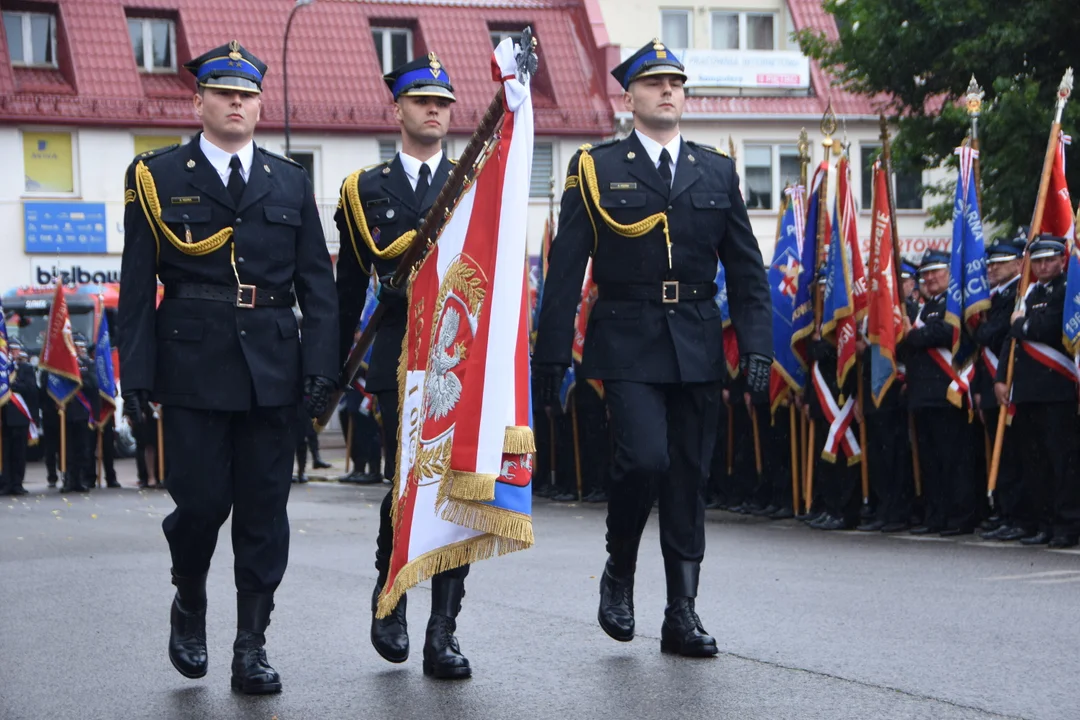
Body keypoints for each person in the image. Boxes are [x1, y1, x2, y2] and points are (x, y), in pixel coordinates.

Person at [533, 39, 772, 657]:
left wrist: (756, 346)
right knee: (644, 460)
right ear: (630, 96)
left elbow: (747, 271)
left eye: (676, 82)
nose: (668, 91)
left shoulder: (715, 170)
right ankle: (619, 568)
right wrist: (551, 357)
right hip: (628, 333)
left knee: (689, 478)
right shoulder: (597, 167)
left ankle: (681, 611)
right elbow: (566, 270)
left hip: (695, 338)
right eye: (654, 83)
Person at [117, 41, 338, 695]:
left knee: (265, 511)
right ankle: (189, 598)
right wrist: (135, 375)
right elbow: (135, 289)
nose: (236, 102)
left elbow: (316, 287)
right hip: (192, 364)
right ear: (200, 100)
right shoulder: (158, 177)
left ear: (259, 104)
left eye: (246, 94)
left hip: (273, 366)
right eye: (223, 92)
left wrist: (320, 368)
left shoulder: (289, 180)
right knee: (203, 504)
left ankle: (251, 644)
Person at [334, 53, 471, 679]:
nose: (434, 110)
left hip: (459, 355)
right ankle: (391, 591)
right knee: (409, 481)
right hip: (396, 359)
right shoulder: (365, 190)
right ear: (399, 108)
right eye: (423, 101)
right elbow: (341, 293)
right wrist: (327, 368)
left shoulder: (475, 181)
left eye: (443, 102)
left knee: (455, 486)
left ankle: (443, 629)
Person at [993, 236, 1080, 547]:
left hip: (1056, 389)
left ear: (1062, 259)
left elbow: (1047, 328)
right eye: (1038, 260)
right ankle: (1043, 523)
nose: (1043, 266)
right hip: (1027, 390)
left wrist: (1022, 323)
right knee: (1035, 462)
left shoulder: (1068, 291)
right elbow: (1010, 340)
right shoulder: (1029, 292)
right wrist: (1001, 378)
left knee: (1061, 462)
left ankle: (1067, 525)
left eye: (1049, 260)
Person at [901, 250, 976, 536]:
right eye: (925, 274)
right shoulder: (923, 308)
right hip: (922, 395)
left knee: (954, 460)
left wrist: (912, 334)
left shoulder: (954, 304)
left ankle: (960, 517)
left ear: (949, 274)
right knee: (931, 462)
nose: (930, 278)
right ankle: (936, 516)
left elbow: (945, 332)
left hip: (947, 393)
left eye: (936, 272)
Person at [974, 235, 1024, 540]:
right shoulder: (990, 299)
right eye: (990, 264)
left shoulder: (1018, 295)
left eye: (1000, 263)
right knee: (1000, 453)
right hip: (992, 385)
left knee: (1014, 454)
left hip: (1012, 385)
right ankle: (1004, 512)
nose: (992, 268)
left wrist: (984, 330)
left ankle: (1018, 514)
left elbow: (995, 333)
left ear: (1019, 263)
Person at [61, 334, 99, 494]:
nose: (80, 349)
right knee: (67, 448)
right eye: (77, 346)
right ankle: (68, 479)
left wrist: (79, 376)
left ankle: (81, 479)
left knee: (83, 448)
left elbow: (93, 386)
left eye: (82, 347)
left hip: (83, 412)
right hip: (67, 411)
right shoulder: (64, 364)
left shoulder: (88, 365)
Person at [1, 340, 37, 496]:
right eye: (10, 350)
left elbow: (31, 389)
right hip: (5, 417)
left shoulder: (26, 369)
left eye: (14, 350)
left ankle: (17, 483)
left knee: (19, 453)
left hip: (20, 416)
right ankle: (6, 483)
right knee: (5, 452)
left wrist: (12, 386)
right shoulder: (3, 370)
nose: (12, 353)